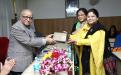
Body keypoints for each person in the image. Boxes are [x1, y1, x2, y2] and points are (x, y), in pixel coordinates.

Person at [68, 8, 117, 75]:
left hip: (94, 57)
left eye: (93, 16)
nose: (90, 18)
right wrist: (68, 36)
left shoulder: (100, 29)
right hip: (85, 55)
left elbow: (91, 41)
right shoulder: (86, 26)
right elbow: (78, 35)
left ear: (97, 18)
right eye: (88, 16)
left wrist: (77, 41)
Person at [7, 9, 56, 75]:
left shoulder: (30, 26)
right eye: (25, 17)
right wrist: (46, 40)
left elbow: (33, 39)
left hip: (28, 58)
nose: (28, 19)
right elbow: (29, 41)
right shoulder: (16, 27)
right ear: (20, 17)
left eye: (30, 17)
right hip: (18, 61)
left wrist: (45, 38)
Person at [71, 8, 88, 74]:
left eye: (82, 15)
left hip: (86, 49)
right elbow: (72, 34)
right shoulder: (75, 25)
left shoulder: (89, 24)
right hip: (77, 48)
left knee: (85, 66)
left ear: (86, 15)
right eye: (78, 15)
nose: (80, 17)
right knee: (77, 65)